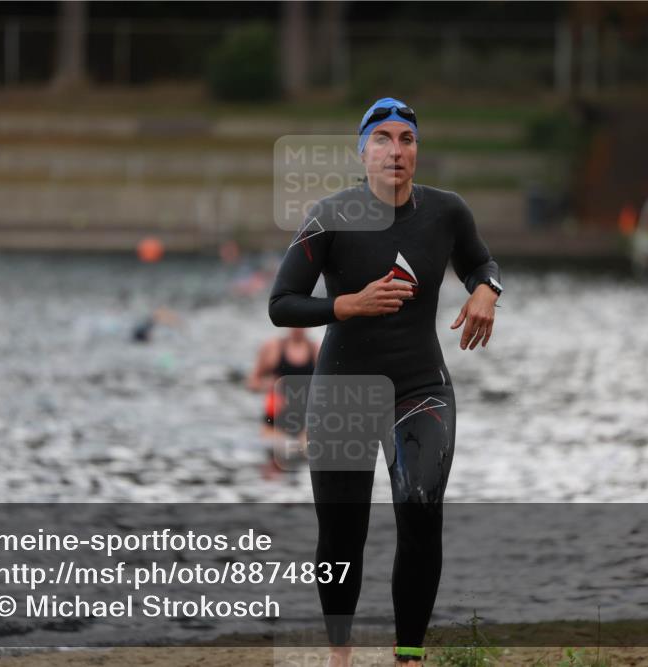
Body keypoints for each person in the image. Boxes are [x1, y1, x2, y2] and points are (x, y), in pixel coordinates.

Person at [267, 97, 502, 666]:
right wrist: (347, 304)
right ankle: (341, 655)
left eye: (407, 140)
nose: (396, 151)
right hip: (342, 388)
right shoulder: (328, 216)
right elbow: (282, 305)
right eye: (383, 139)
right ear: (363, 150)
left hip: (420, 385)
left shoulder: (447, 212)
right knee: (341, 535)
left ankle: (408, 657)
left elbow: (480, 263)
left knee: (420, 509)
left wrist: (487, 290)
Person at [247, 327, 320, 475]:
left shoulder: (315, 350)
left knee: (305, 457)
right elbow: (252, 382)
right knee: (279, 459)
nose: (298, 328)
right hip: (275, 425)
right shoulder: (272, 348)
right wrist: (267, 386)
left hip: (303, 425)